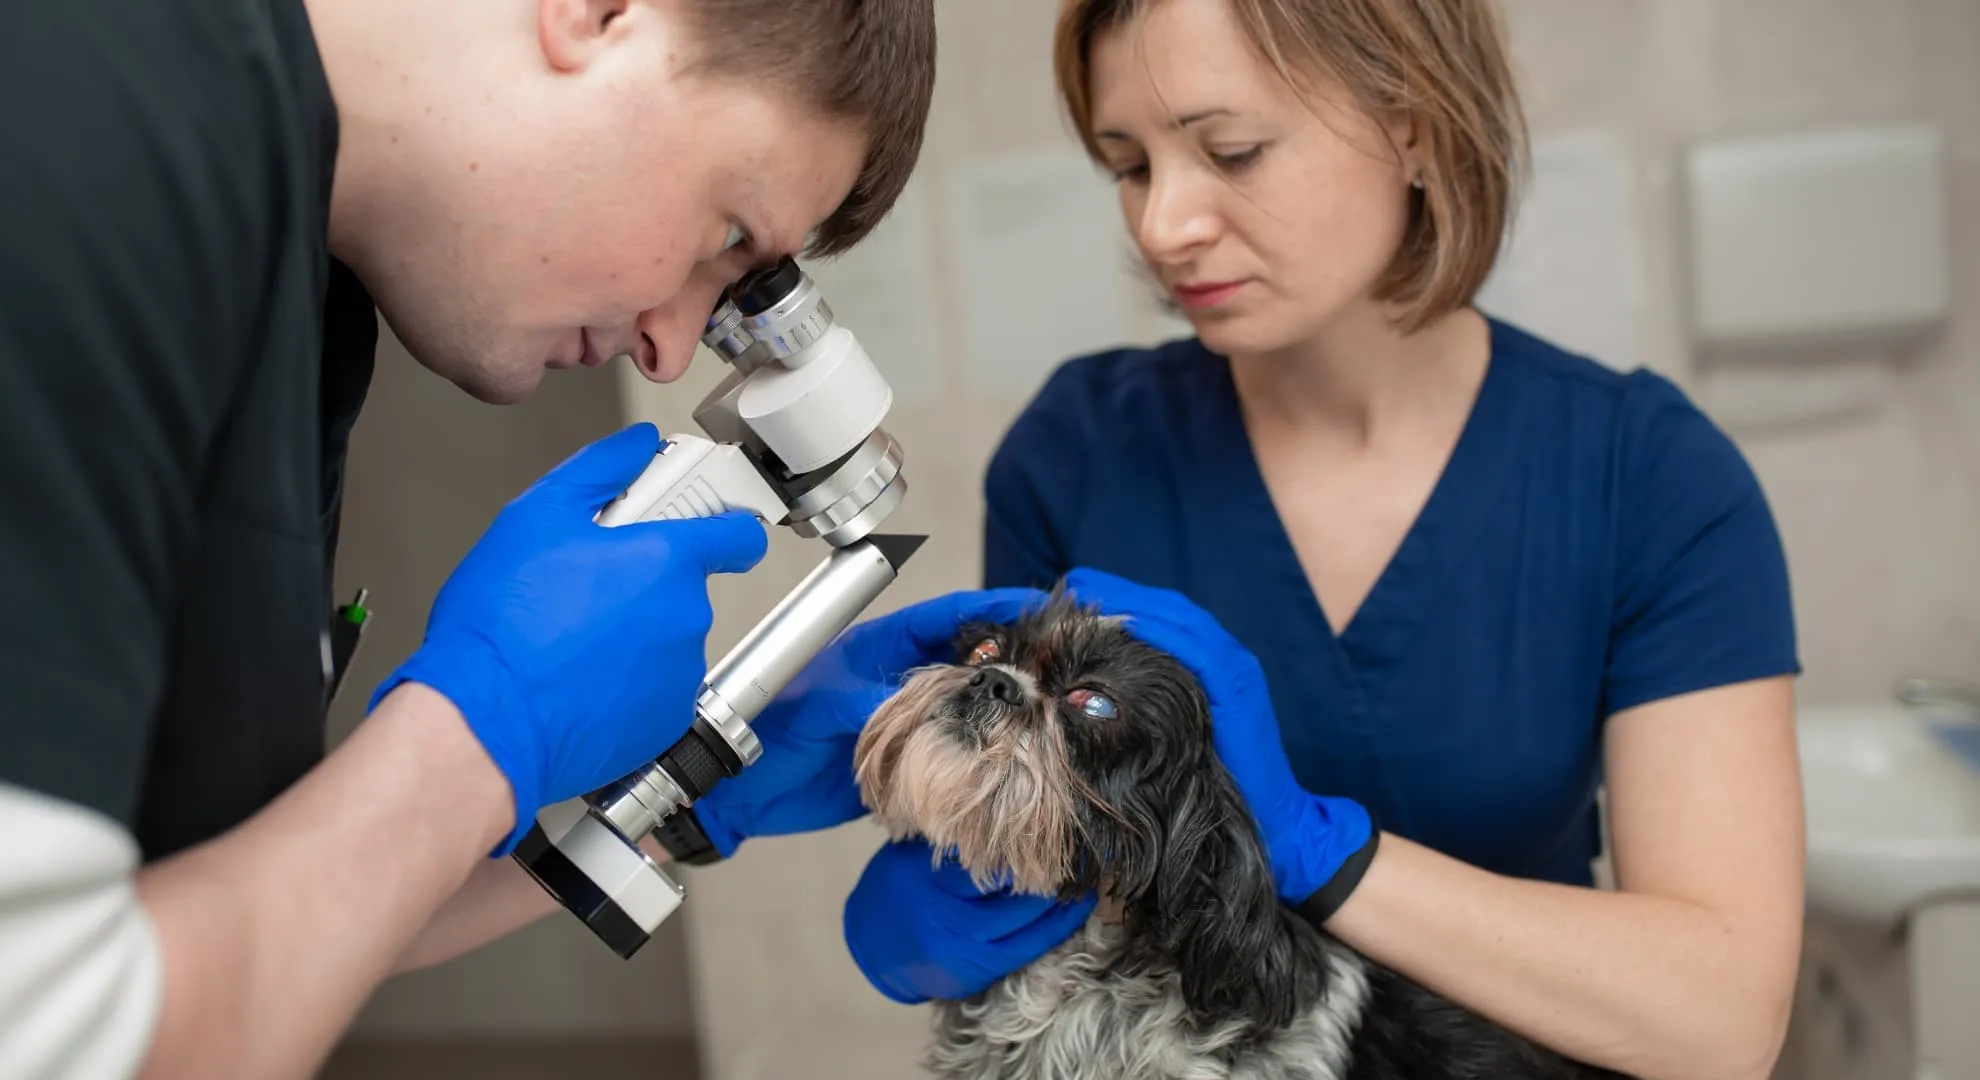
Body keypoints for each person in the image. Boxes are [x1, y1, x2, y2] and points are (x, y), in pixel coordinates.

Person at [710, 1, 1807, 1078]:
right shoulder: (1080, 451)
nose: (1162, 225)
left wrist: (1326, 859)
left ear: (1415, 128)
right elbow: (1056, 867)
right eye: (1130, 166)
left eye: (1230, 151)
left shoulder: (1649, 477)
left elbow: (1719, 1024)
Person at [0, 2, 1039, 1078]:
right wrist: (479, 729)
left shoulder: (297, 299)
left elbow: (205, 918)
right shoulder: (84, 141)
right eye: (728, 236)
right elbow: (54, 1030)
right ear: (598, 14)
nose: (674, 348)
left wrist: (680, 798)